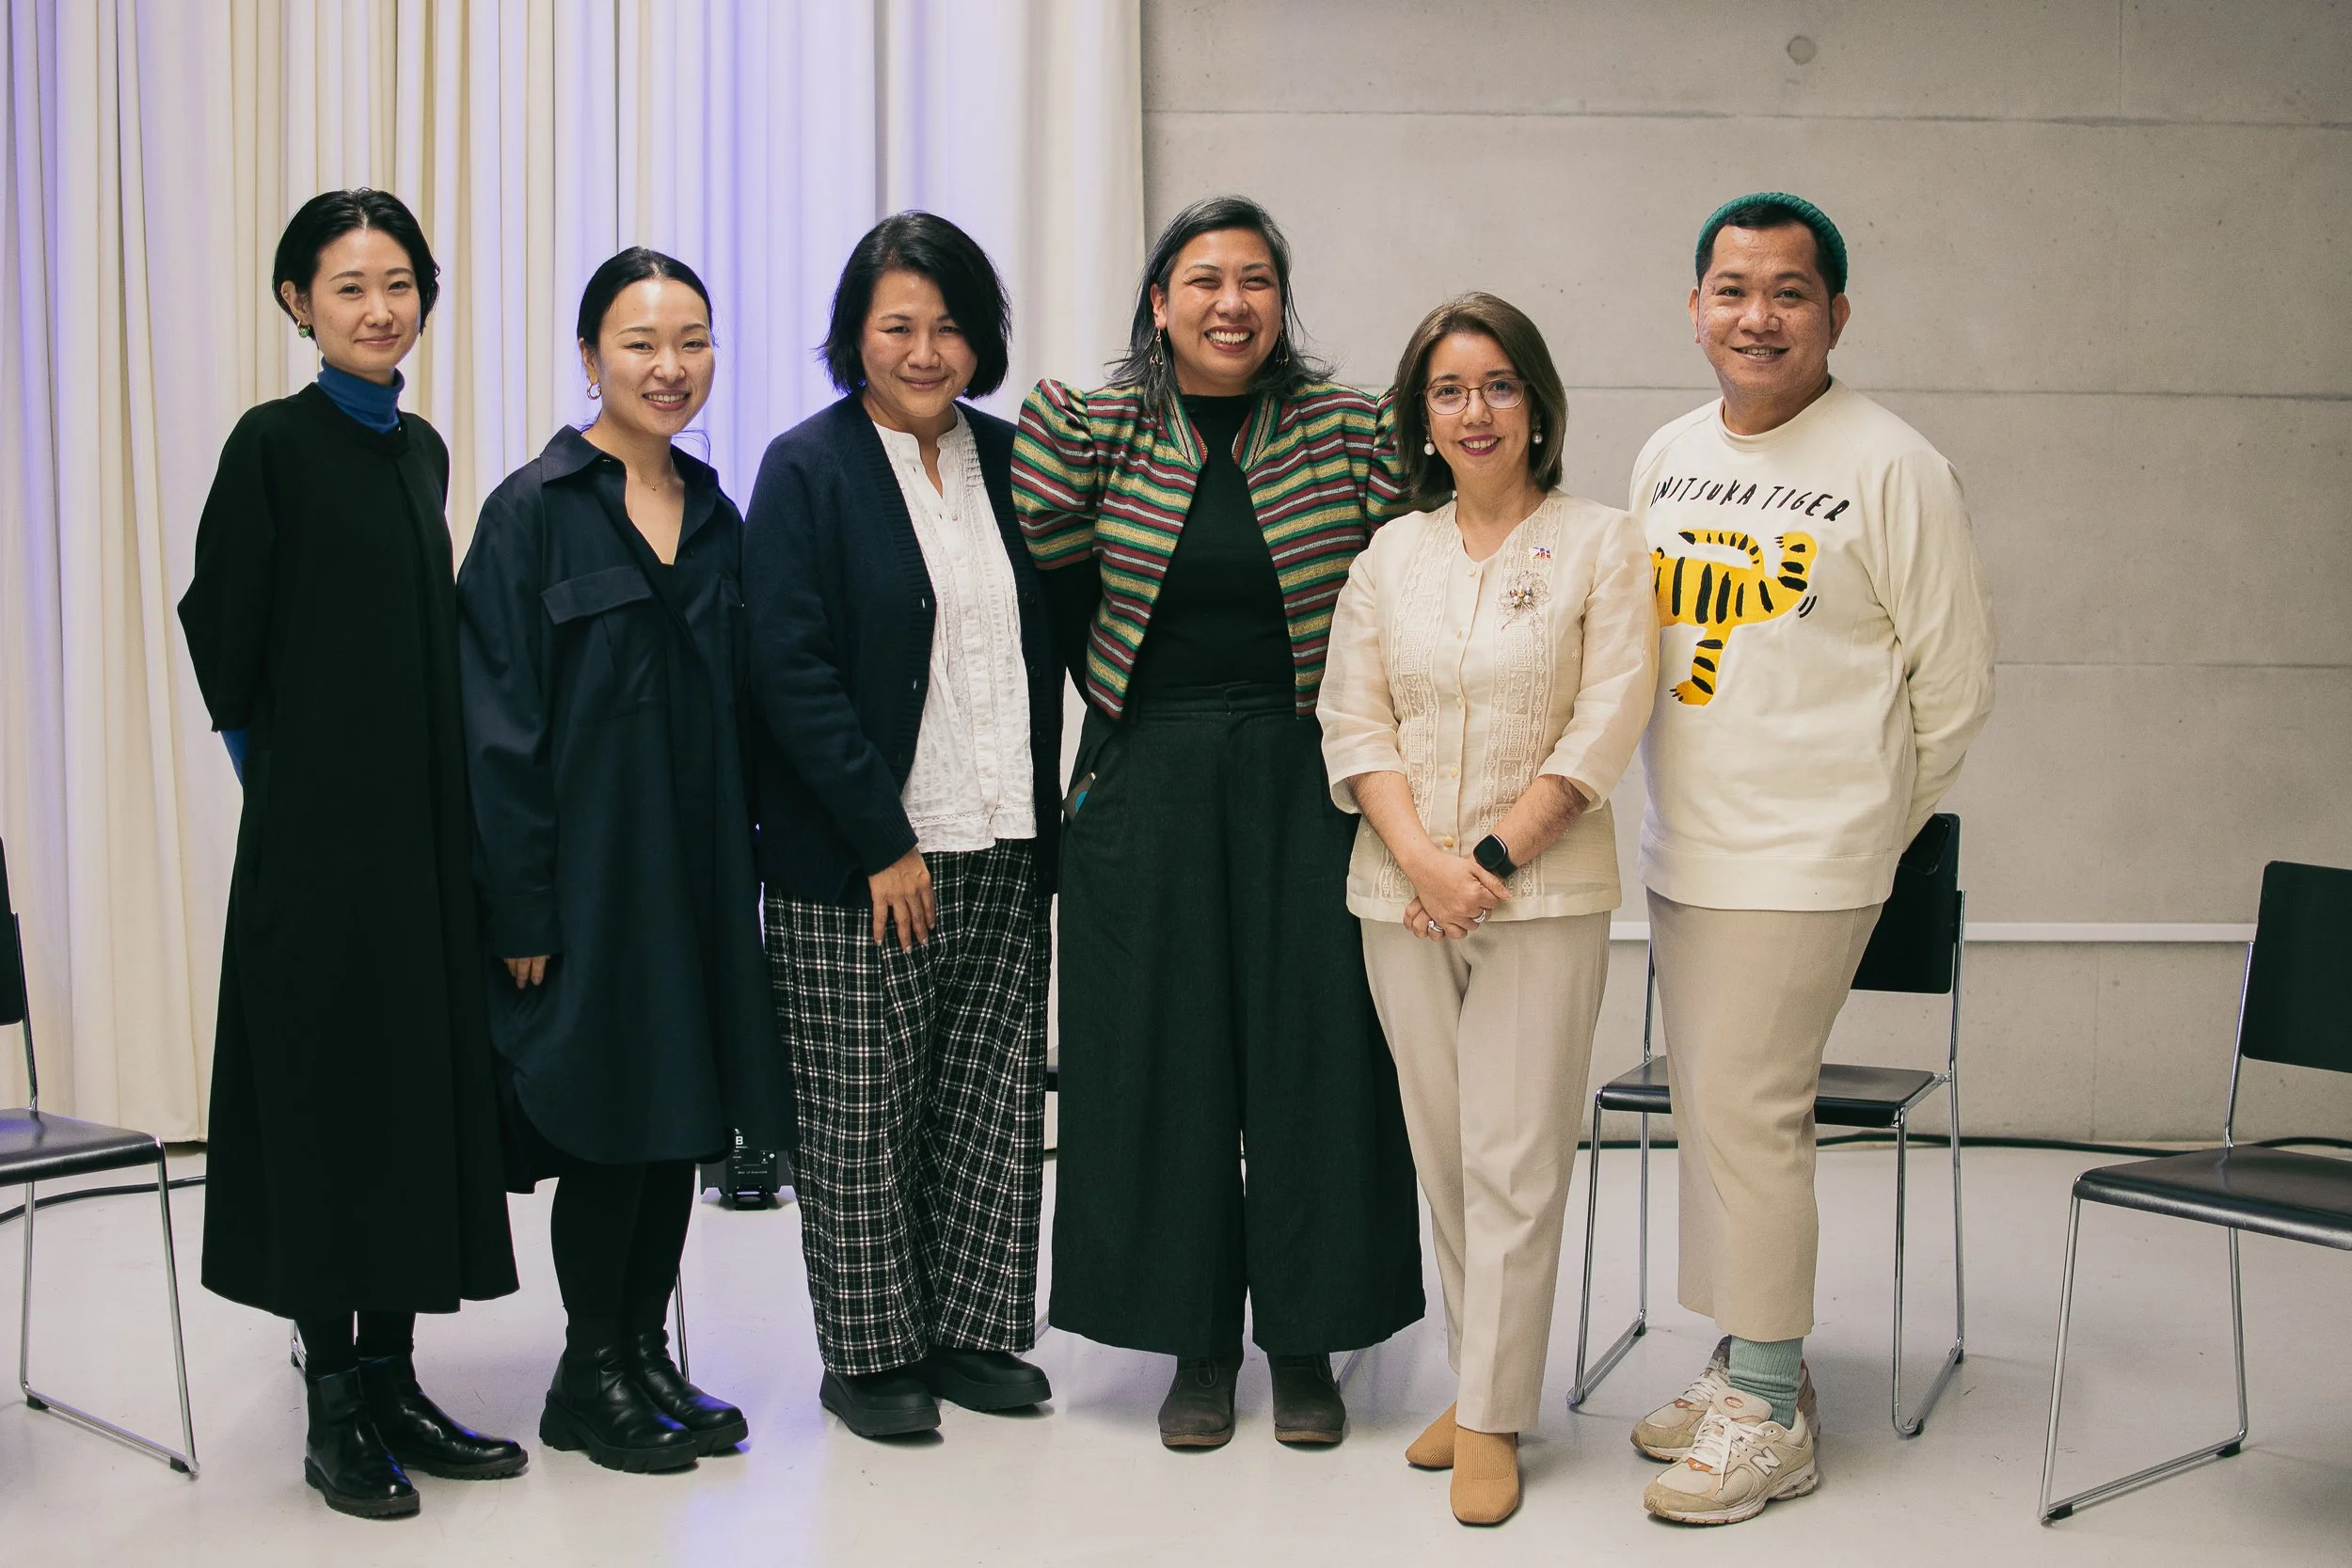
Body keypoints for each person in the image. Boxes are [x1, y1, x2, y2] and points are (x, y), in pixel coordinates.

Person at [1013, 194, 1424, 1451]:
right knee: (1160, 1060)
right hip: (1148, 772)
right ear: (1159, 300)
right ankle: (1195, 1341)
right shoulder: (1098, 431)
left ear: (1280, 304)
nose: (1230, 301)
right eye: (1204, 279)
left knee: (1319, 1057)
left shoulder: (1347, 431)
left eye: (1255, 279)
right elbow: (1054, 568)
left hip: (1310, 769)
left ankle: (1305, 1344)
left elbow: (1411, 573)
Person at [1628, 193, 1995, 1527]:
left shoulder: (1896, 464)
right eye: (1734, 290)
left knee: (1751, 1115)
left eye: (1790, 293)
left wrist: (1863, 826)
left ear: (1838, 313)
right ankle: (1742, 1358)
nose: (1758, 316)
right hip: (1689, 846)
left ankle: (1772, 1407)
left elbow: (1952, 685)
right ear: (1695, 308)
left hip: (1809, 854)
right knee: (1717, 1116)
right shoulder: (1668, 452)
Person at [177, 188, 522, 1520]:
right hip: (318, 857)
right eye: (347, 287)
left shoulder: (419, 450)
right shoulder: (272, 444)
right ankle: (333, 1404)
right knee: (327, 1111)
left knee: (408, 1107)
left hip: (423, 853)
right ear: (297, 305)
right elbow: (229, 640)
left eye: (399, 284)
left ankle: (395, 1377)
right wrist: (295, 802)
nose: (379, 309)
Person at [457, 247, 793, 1474]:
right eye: (642, 342)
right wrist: (522, 904)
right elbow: (495, 729)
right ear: (590, 354)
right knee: (606, 1123)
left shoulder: (715, 513)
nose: (670, 365)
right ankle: (586, 1368)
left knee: (675, 1122)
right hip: (586, 891)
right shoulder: (530, 513)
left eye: (692, 340)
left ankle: (641, 1351)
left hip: (700, 881)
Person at [1320, 293, 1655, 1524]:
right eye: (1450, 389)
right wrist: (1422, 858)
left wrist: (1491, 857)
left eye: (1498, 385)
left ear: (1538, 404)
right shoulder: (1388, 555)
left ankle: (1498, 1415)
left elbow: (1608, 716)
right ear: (1422, 413)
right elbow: (1354, 722)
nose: (1475, 411)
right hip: (1398, 894)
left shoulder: (1602, 544)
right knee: (1448, 1151)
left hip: (1543, 894)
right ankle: (1477, 1382)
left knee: (1515, 1154)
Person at [742, 213, 1063, 1441]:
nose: (926, 349)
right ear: (854, 337)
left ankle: (974, 1331)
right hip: (865, 858)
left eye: (948, 325)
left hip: (1002, 832)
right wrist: (882, 835)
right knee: (863, 1110)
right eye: (898, 326)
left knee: (988, 1096)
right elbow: (790, 666)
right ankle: (871, 1353)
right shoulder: (808, 466)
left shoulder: (1014, 457)